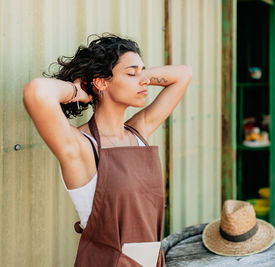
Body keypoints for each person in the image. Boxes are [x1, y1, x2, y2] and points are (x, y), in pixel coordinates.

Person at [23, 34, 192, 267]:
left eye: (142, 73)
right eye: (132, 73)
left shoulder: (136, 134)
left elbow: (184, 74)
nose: (143, 80)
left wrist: (136, 76)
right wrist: (79, 90)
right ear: (101, 82)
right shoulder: (82, 147)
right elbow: (37, 91)